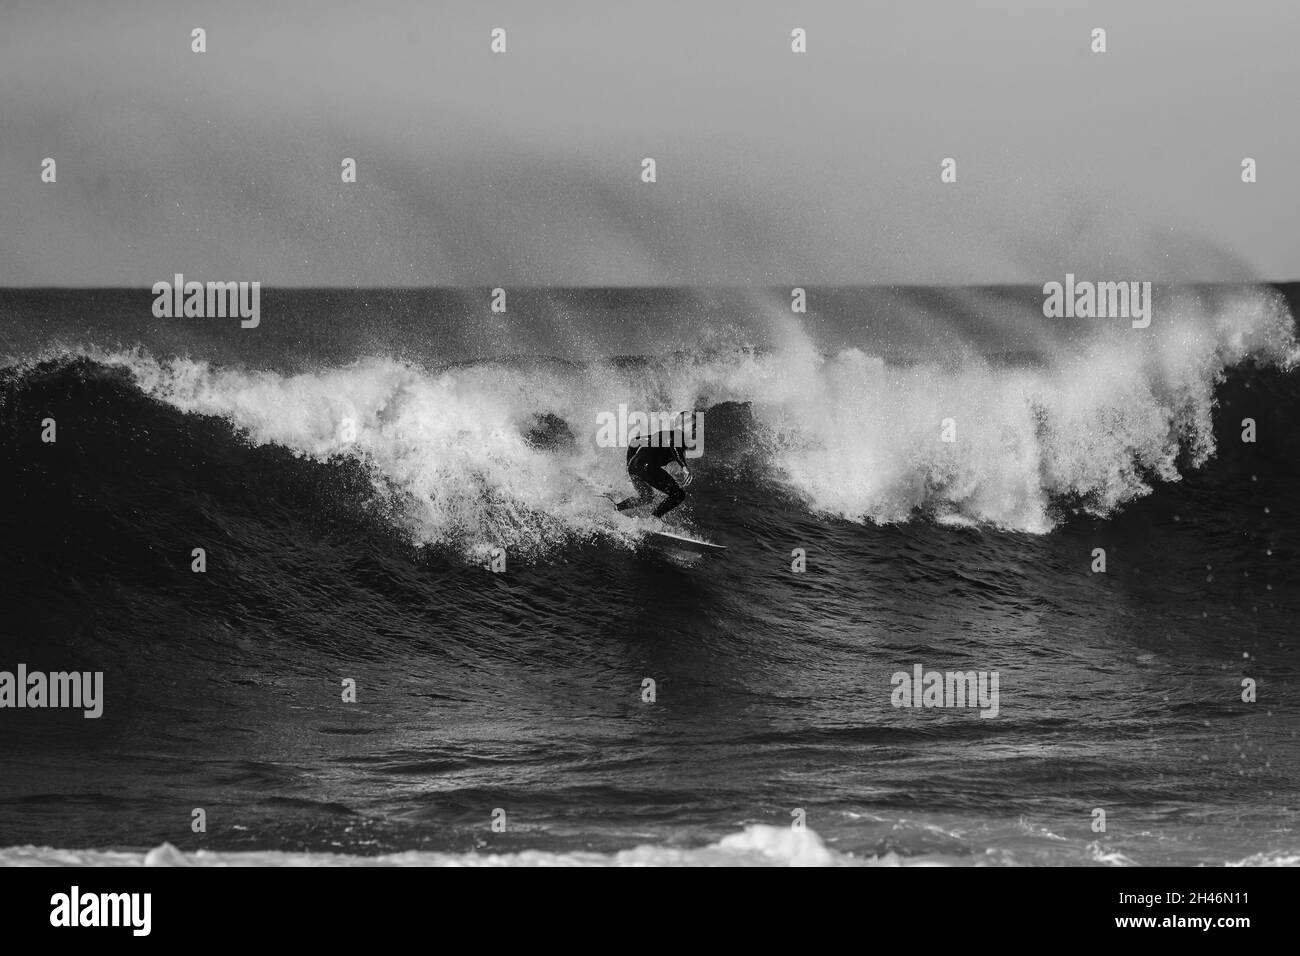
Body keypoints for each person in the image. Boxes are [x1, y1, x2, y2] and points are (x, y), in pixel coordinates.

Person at [614, 412, 697, 518]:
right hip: (647, 467)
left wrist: (628, 465)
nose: (696, 430)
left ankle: (617, 507)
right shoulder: (677, 435)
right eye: (694, 426)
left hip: (634, 468)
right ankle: (654, 518)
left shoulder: (662, 434)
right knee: (678, 495)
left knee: (647, 498)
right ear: (683, 425)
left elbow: (635, 441)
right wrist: (684, 466)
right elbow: (674, 444)